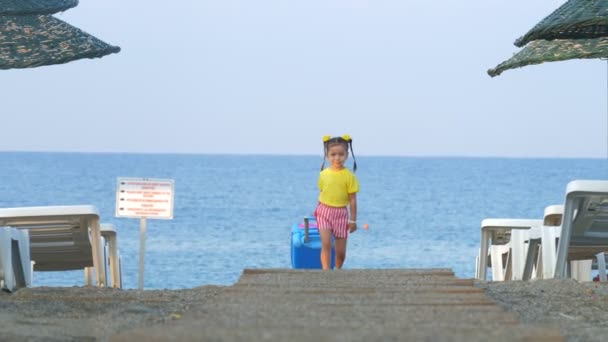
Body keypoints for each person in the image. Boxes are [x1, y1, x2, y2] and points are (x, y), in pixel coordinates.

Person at [314, 135, 359, 270]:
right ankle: (326, 271)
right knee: (326, 243)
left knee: (340, 253)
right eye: (333, 154)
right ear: (327, 155)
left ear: (347, 155)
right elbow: (323, 192)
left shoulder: (350, 176)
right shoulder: (323, 174)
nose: (337, 158)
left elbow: (352, 199)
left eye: (341, 154)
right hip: (324, 211)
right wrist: (318, 209)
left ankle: (337, 270)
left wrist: (353, 221)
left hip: (341, 213)